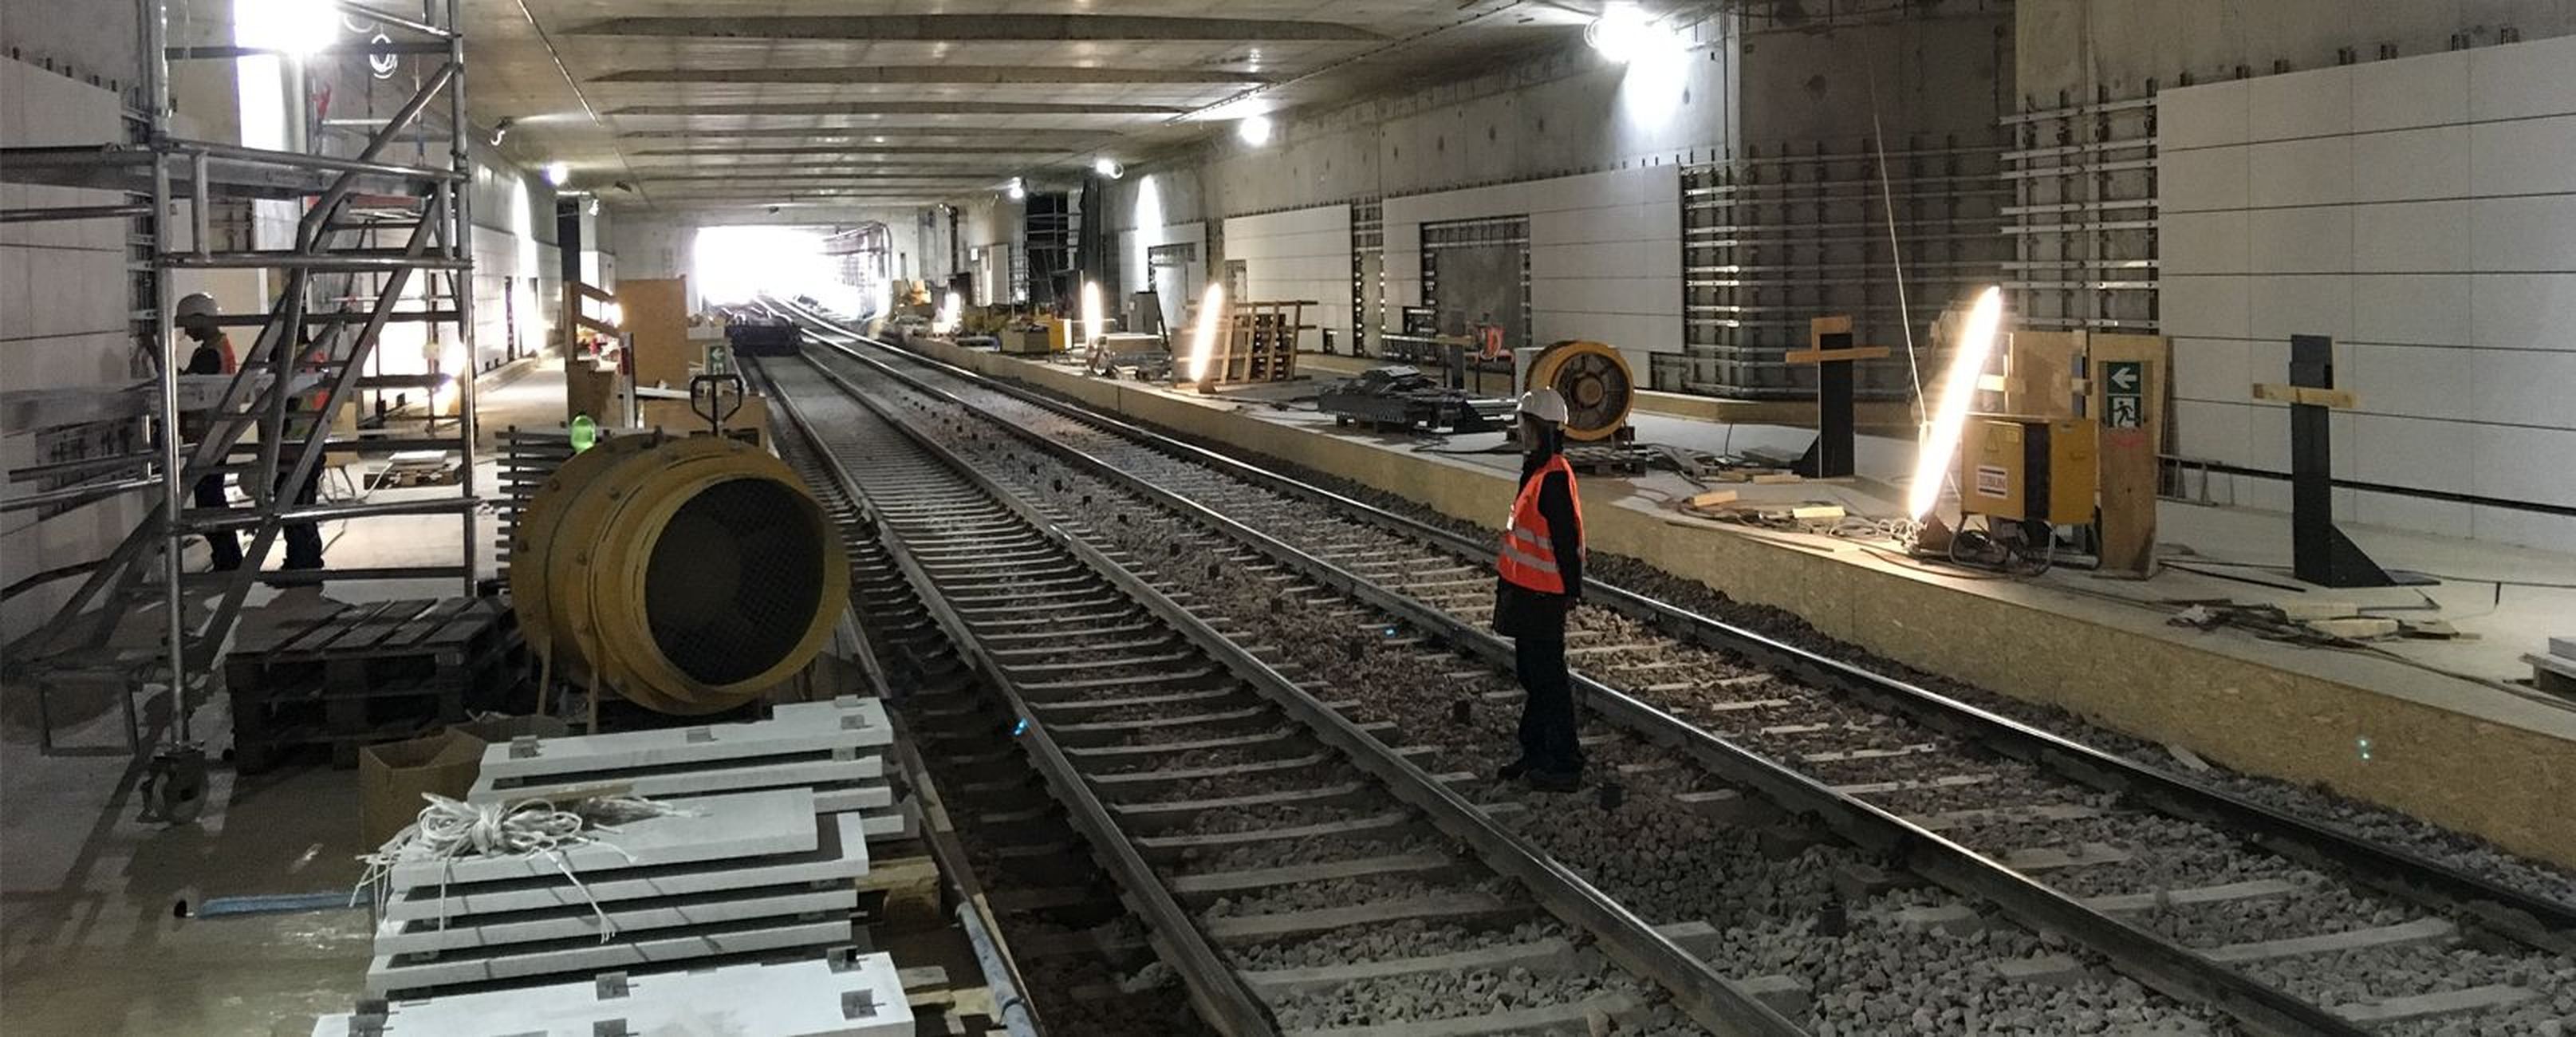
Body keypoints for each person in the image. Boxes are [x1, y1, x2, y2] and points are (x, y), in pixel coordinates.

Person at [1492, 386, 1586, 792]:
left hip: (1543, 596)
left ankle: (1564, 763)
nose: (1522, 431)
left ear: (1544, 428)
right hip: (1525, 591)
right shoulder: (1535, 470)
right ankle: (1535, 751)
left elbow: (1567, 540)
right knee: (1533, 676)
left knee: (1549, 680)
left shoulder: (1553, 477)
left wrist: (1571, 592)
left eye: (1527, 424)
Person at [175, 293, 242, 571]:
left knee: (209, 500)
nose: (185, 330)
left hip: (208, 435)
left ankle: (228, 559)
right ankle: (228, 558)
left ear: (200, 319)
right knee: (213, 496)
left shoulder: (207, 354)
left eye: (187, 323)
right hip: (219, 431)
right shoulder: (222, 346)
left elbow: (181, 386)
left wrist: (156, 353)